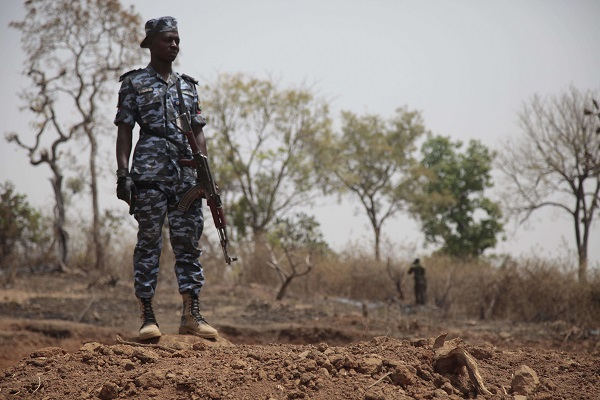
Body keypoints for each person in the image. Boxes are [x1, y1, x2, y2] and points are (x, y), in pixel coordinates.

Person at [114, 16, 217, 340]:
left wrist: (205, 174)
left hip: (186, 176)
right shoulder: (133, 83)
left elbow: (198, 133)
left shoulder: (188, 86)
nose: (174, 45)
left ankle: (192, 315)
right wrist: (123, 174)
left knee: (188, 244)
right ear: (151, 44)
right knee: (149, 243)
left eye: (177, 40)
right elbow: (124, 131)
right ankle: (148, 316)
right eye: (167, 40)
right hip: (149, 174)